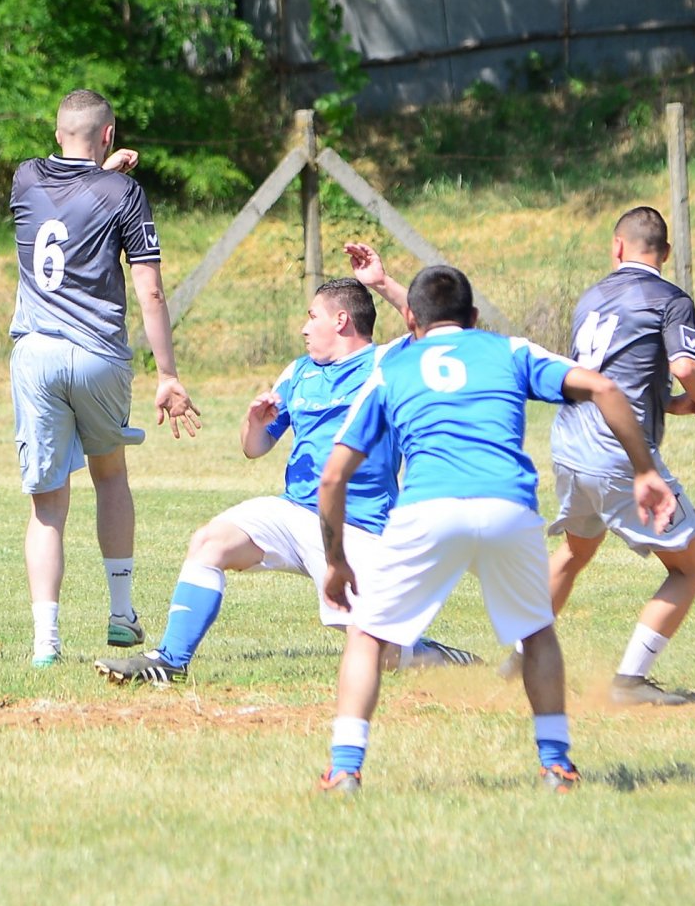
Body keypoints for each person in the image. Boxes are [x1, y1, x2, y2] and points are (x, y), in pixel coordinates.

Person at [317, 265, 673, 794]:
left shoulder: (392, 368)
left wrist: (335, 559)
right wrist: (645, 469)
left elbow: (332, 476)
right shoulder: (509, 351)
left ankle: (345, 767)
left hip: (428, 508)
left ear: (410, 317)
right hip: (509, 505)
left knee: (368, 636)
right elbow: (602, 386)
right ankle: (556, 764)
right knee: (536, 631)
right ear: (474, 317)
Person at [97, 275, 476, 685]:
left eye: (313, 317)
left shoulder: (387, 363)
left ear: (342, 320)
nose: (304, 327)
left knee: (381, 652)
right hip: (294, 513)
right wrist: (253, 422)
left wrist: (382, 282)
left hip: (357, 527)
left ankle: (428, 653)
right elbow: (254, 448)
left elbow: (441, 331)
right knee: (210, 541)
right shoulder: (298, 372)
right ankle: (170, 660)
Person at [8, 89, 199, 667]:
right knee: (110, 476)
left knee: (47, 505)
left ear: (57, 130)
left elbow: (67, 200)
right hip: (97, 356)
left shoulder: (24, 179)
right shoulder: (127, 193)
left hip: (36, 355)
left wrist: (103, 172)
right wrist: (167, 373)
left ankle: (46, 642)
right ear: (109, 135)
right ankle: (120, 615)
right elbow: (151, 290)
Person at [545, 207, 695, 703]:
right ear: (666, 254)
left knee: (575, 551)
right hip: (618, 456)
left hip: (569, 444)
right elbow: (687, 367)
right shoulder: (669, 299)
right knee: (691, 567)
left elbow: (614, 380)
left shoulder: (591, 297)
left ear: (617, 247)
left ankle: (523, 656)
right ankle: (629, 682)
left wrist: (672, 405)